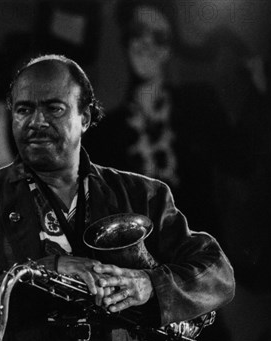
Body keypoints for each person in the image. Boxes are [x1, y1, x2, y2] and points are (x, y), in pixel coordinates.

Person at [0, 54, 234, 341]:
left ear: (85, 117)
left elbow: (218, 272)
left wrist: (149, 285)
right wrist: (49, 269)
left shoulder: (144, 195)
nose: (36, 122)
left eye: (54, 109)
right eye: (23, 110)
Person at [84, 0, 234, 238]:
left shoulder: (199, 103)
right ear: (126, 40)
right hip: (137, 264)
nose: (147, 43)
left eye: (159, 36)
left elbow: (239, 161)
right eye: (138, 32)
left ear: (170, 48)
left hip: (200, 257)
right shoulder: (104, 131)